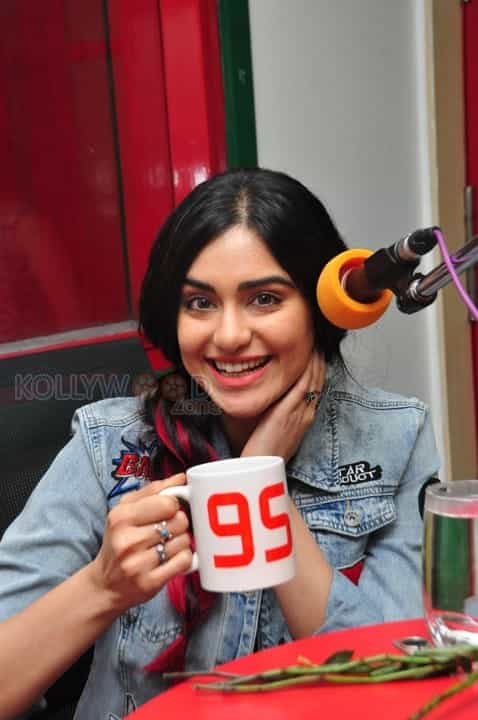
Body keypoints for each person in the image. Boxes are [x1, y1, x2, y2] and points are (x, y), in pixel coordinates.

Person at [0, 168, 439, 719]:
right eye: (200, 303)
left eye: (265, 299)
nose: (229, 336)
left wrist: (259, 480)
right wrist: (102, 588)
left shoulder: (394, 438)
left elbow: (401, 691)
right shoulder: (110, 443)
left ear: (321, 307)